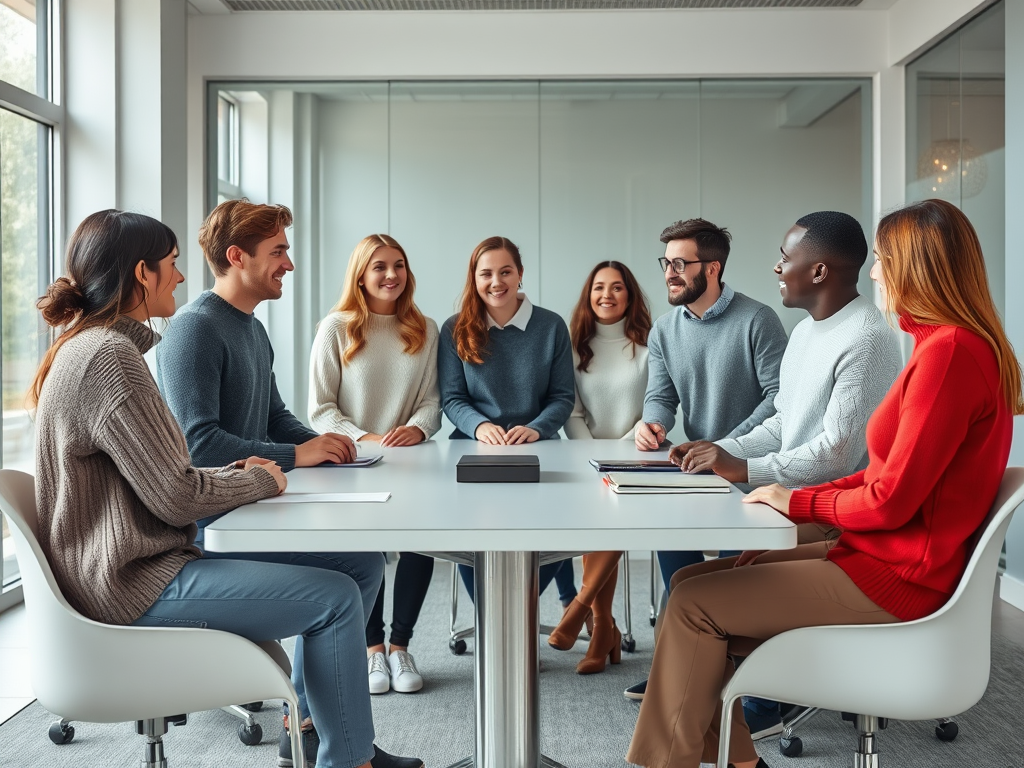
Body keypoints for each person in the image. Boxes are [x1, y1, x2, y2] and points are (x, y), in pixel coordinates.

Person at [625, 199, 1021, 768]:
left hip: (896, 579)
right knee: (691, 580)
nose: (876, 271)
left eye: (884, 259)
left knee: (691, 606)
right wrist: (775, 493)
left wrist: (796, 499)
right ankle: (734, 761)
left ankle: (688, 762)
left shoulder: (949, 356)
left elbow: (887, 499)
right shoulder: (947, 349)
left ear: (916, 266)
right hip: (879, 556)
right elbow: (887, 475)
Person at [31, 210, 423, 768]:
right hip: (133, 581)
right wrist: (260, 475)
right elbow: (177, 490)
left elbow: (173, 477)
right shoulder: (110, 359)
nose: (181, 276)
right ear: (142, 274)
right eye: (171, 265)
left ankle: (319, 734)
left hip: (144, 559)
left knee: (359, 565)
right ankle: (345, 759)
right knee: (335, 599)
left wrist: (273, 466)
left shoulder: (98, 349)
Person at [156, 200, 386, 767]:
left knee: (364, 562)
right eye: (278, 251)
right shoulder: (194, 331)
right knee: (348, 571)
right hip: (212, 524)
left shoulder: (252, 331)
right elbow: (199, 445)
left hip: (252, 510)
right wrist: (296, 453)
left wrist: (327, 447)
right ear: (237, 257)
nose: (288, 263)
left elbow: (274, 417)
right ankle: (330, 742)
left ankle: (309, 723)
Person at [663, 210, 904, 738]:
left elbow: (838, 453)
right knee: (688, 577)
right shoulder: (806, 333)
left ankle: (759, 708)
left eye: (785, 257)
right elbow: (782, 424)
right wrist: (717, 451)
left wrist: (744, 467)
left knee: (708, 586)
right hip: (789, 499)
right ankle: (720, 707)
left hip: (835, 513)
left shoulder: (867, 338)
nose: (776, 266)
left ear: (818, 271)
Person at [308, 234, 441, 696]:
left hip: (409, 460)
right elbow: (321, 409)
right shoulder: (336, 328)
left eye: (399, 265)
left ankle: (400, 645)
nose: (391, 275)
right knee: (367, 552)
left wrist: (418, 430)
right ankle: (372, 650)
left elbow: (431, 402)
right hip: (355, 462)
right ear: (361, 275)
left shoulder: (425, 328)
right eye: (380, 266)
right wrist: (365, 440)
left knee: (417, 546)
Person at [634, 218, 788, 612]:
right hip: (696, 470)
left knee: (730, 591)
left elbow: (779, 398)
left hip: (749, 471)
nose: (670, 274)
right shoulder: (663, 330)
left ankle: (728, 665)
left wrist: (723, 448)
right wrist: (652, 422)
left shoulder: (758, 319)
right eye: (665, 263)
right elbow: (660, 396)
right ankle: (681, 662)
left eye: (680, 264)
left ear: (712, 268)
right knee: (678, 578)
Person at [437, 235, 575, 600]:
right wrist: (480, 427)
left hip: (539, 447)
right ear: (474, 278)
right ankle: (492, 615)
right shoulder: (454, 328)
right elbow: (452, 398)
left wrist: (536, 428)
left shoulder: (552, 326)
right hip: (473, 449)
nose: (496, 282)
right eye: (486, 274)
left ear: (520, 275)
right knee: (468, 536)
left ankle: (519, 608)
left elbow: (562, 397)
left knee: (562, 529)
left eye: (505, 272)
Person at [549, 261, 652, 674]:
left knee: (612, 518)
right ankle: (602, 626)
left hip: (637, 458)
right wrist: (593, 459)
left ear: (630, 296)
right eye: (598, 288)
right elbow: (571, 413)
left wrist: (620, 455)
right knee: (600, 519)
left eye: (616, 288)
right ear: (588, 296)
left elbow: (654, 409)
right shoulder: (575, 350)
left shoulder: (649, 348)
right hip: (586, 458)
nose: (606, 295)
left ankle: (583, 612)